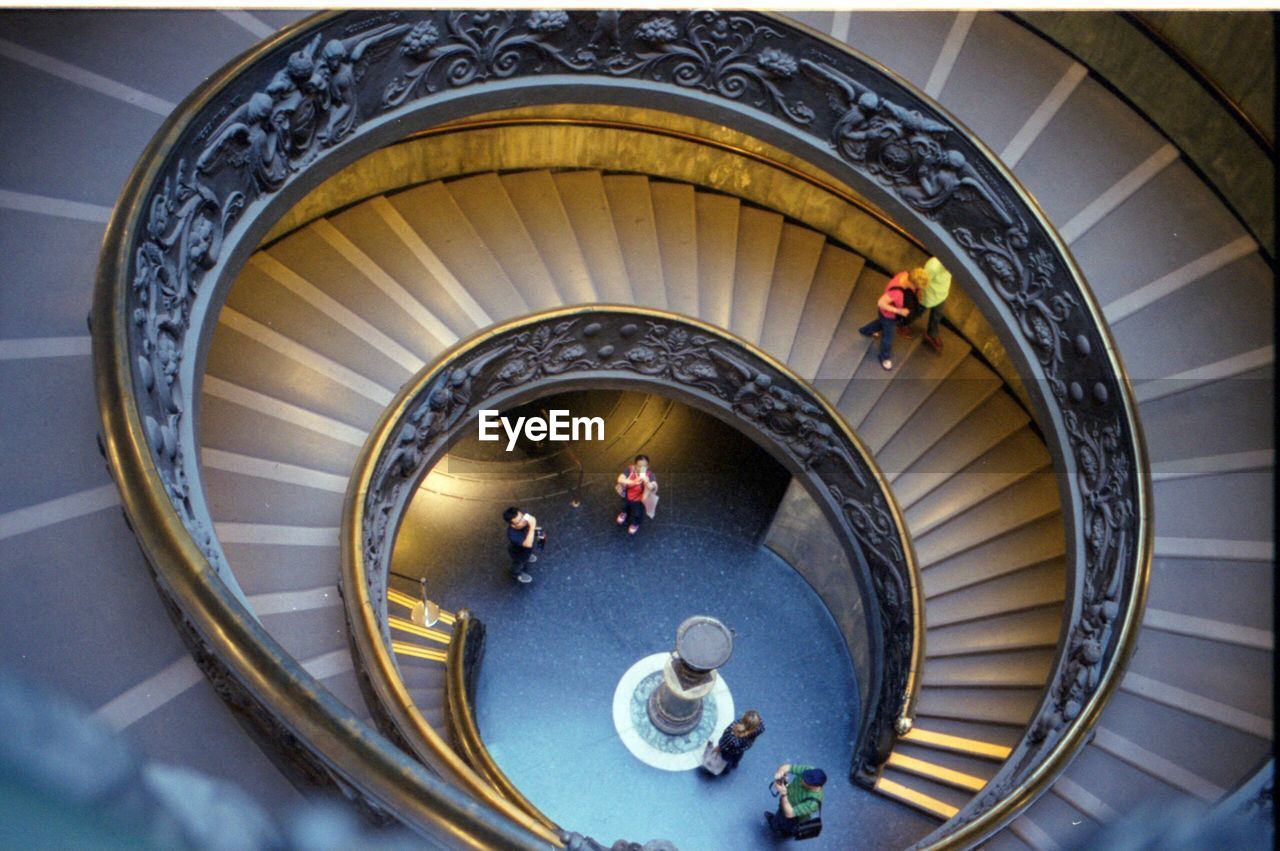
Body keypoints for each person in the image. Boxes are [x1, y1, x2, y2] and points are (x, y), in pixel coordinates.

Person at [859, 267, 926, 370]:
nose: (916, 289)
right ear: (911, 283)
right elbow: (881, 303)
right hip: (889, 316)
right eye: (916, 287)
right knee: (888, 337)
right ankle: (884, 357)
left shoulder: (906, 274)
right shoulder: (896, 292)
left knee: (880, 324)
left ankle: (866, 330)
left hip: (886, 315)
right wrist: (899, 311)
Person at [765, 763, 825, 837]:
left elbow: (789, 813)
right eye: (804, 777)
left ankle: (782, 831)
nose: (802, 780)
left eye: (806, 781)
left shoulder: (812, 803)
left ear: (814, 786)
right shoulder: (809, 771)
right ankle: (775, 822)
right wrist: (779, 775)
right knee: (780, 813)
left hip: (795, 817)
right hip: (787, 801)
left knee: (786, 824)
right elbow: (787, 767)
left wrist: (784, 794)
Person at [615, 455, 657, 536]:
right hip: (627, 496)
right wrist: (633, 482)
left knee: (637, 513)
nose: (641, 469)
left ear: (648, 466)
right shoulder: (630, 469)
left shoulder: (650, 475)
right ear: (635, 466)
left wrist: (647, 483)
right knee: (624, 506)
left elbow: (654, 487)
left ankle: (635, 524)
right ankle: (624, 513)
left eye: (644, 467)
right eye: (639, 466)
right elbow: (620, 479)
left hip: (639, 500)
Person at [918, 256, 952, 353]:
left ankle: (931, 334)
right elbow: (922, 281)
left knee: (937, 316)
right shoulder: (933, 266)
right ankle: (903, 323)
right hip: (928, 296)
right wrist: (919, 293)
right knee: (917, 312)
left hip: (941, 295)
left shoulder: (951, 267)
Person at [502, 506, 538, 584]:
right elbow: (528, 544)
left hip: (526, 551)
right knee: (518, 564)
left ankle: (527, 557)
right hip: (518, 553)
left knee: (527, 555)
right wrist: (532, 526)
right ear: (513, 525)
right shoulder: (512, 534)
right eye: (519, 521)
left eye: (522, 517)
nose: (524, 521)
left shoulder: (524, 519)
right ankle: (515, 573)